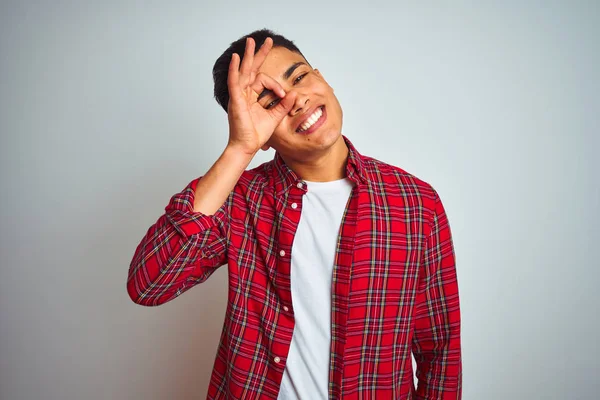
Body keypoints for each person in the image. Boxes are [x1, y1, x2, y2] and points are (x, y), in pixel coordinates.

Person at [127, 28, 462, 400]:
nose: (296, 100)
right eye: (270, 102)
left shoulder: (415, 203)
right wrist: (240, 149)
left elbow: (440, 351)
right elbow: (150, 284)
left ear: (323, 78)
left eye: (300, 77)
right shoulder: (239, 200)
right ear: (261, 132)